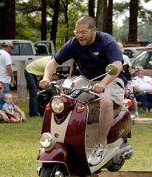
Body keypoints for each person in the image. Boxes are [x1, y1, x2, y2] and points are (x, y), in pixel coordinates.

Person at [39, 15, 126, 166]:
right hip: (86, 79)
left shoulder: (107, 41)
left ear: (94, 30)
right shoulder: (73, 44)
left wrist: (103, 84)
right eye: (77, 32)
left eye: (83, 32)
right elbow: (52, 63)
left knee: (105, 103)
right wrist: (46, 78)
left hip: (110, 78)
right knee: (63, 100)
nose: (79, 35)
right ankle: (60, 141)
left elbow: (117, 66)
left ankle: (100, 145)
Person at [117, 42, 139, 118]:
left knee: (130, 96)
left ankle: (136, 113)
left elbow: (129, 69)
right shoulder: (112, 56)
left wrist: (130, 73)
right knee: (121, 96)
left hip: (126, 79)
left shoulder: (124, 57)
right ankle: (122, 114)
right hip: (118, 79)